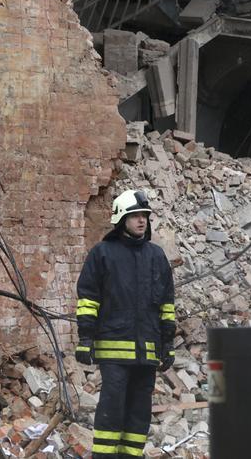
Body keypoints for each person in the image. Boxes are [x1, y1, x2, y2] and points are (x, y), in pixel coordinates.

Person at [75, 189, 177, 457]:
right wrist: (85, 339)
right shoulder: (103, 254)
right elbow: (88, 299)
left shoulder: (157, 257)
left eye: (144, 215)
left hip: (148, 353)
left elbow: (167, 305)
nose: (141, 220)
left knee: (139, 413)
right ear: (121, 219)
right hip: (114, 352)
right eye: (135, 216)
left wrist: (168, 343)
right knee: (112, 408)